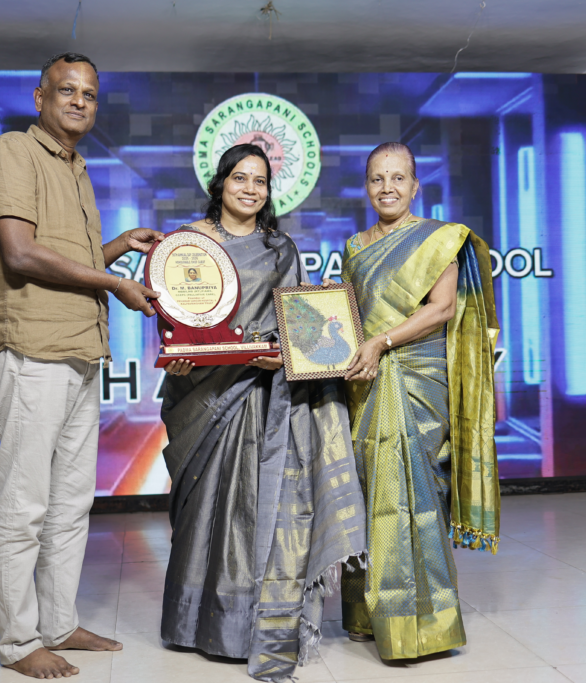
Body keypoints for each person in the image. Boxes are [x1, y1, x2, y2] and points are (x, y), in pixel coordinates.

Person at [0, 52, 164, 679]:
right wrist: (113, 282)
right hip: (33, 351)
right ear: (40, 97)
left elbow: (69, 261)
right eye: (66, 90)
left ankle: (58, 623)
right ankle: (19, 642)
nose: (79, 101)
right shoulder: (12, 152)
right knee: (25, 505)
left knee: (71, 504)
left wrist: (119, 246)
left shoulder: (76, 169)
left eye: (89, 94)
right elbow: (21, 255)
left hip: (81, 352)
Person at [159, 144, 368, 681]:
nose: (250, 189)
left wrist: (286, 351)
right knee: (201, 506)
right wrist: (178, 354)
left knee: (253, 510)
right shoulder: (188, 243)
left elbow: (299, 322)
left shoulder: (280, 249)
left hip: (260, 395)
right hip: (203, 392)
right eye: (240, 178)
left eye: (260, 181)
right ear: (220, 183)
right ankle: (189, 622)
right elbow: (175, 315)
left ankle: (244, 626)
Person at [335, 142, 501, 660]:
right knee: (367, 496)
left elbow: (442, 309)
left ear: (415, 185)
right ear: (367, 186)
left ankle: (422, 625)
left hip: (417, 379)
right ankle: (366, 615)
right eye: (377, 178)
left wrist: (381, 343)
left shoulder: (438, 239)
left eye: (398, 178)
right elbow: (350, 315)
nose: (387, 188)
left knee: (415, 498)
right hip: (365, 381)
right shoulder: (355, 247)